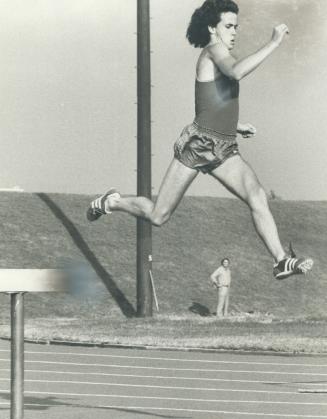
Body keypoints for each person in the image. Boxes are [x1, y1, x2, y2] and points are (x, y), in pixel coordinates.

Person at [87, 0, 313, 280]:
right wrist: (274, 43)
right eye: (228, 26)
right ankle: (113, 202)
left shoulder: (222, 55)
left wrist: (236, 125)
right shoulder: (213, 50)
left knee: (256, 195)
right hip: (198, 146)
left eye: (236, 27)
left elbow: (211, 101)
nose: (234, 32)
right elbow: (237, 72)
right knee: (158, 216)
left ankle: (281, 260)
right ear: (212, 28)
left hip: (224, 147)